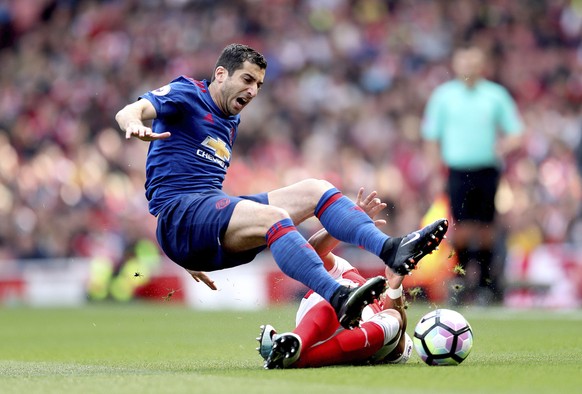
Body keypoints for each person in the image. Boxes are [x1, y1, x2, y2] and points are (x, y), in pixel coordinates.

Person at [115, 43, 448, 329]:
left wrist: (190, 251)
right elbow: (131, 110)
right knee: (274, 216)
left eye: (258, 84)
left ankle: (391, 249)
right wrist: (133, 123)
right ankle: (338, 297)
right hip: (180, 218)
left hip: (202, 222)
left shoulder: (230, 121)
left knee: (316, 189)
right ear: (220, 75)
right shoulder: (188, 93)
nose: (252, 91)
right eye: (246, 80)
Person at [256, 188, 422, 369]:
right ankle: (298, 344)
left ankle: (292, 352)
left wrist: (395, 287)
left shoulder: (388, 311)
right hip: (319, 320)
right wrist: (347, 225)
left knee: (393, 321)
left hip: (356, 341)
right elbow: (312, 251)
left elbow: (398, 346)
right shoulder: (349, 275)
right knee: (342, 297)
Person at [421, 45, 523, 304]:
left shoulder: (495, 96)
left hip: (487, 169)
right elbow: (431, 137)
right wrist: (436, 171)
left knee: (487, 228)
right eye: (464, 63)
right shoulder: (444, 97)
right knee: (462, 228)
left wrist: (503, 145)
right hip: (457, 171)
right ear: (456, 65)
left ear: (482, 66)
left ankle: (487, 284)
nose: (468, 68)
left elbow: (516, 132)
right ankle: (463, 280)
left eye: (473, 63)